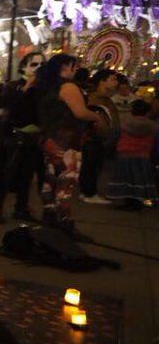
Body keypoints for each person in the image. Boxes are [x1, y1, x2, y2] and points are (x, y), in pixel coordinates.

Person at [35, 54, 106, 235]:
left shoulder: (47, 86)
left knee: (51, 180)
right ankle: (65, 222)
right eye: (73, 67)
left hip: (50, 138)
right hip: (66, 141)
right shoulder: (67, 86)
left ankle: (49, 217)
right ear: (65, 67)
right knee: (66, 182)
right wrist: (97, 117)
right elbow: (80, 112)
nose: (76, 70)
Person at [0, 61, 44, 223]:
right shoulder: (13, 86)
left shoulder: (41, 88)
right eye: (33, 64)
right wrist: (26, 88)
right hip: (14, 135)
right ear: (24, 67)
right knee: (6, 172)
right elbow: (11, 106)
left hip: (34, 136)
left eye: (41, 65)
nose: (37, 68)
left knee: (27, 174)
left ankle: (21, 207)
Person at [78, 70, 122, 205]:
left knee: (95, 165)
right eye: (112, 79)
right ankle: (88, 192)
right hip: (93, 139)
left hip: (102, 139)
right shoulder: (93, 99)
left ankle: (89, 191)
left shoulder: (106, 99)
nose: (116, 82)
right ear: (102, 81)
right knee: (91, 165)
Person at [106, 99, 157, 209]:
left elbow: (113, 140)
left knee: (126, 180)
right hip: (143, 157)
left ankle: (128, 202)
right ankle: (138, 201)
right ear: (147, 112)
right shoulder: (154, 127)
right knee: (139, 179)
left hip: (125, 156)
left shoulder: (124, 125)